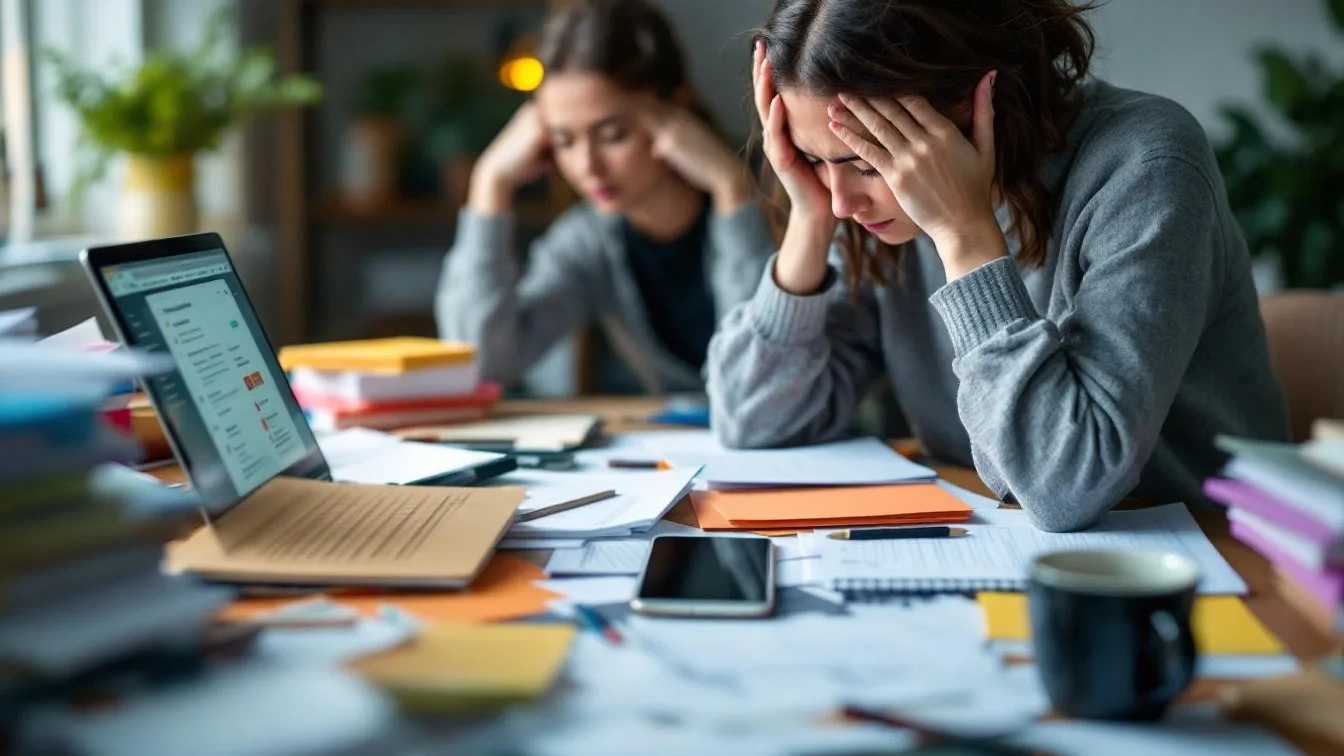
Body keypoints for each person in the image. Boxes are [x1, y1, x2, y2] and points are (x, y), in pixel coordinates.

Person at [706, 0, 1289, 532]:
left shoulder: (1145, 164)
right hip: (993, 537)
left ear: (972, 107)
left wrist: (964, 234)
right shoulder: (858, 210)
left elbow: (1068, 486)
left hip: (1206, 558)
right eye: (811, 160)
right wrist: (808, 222)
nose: (842, 202)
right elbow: (751, 421)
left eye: (865, 163)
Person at [436, 0, 774, 394]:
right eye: (563, 140)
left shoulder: (786, 194)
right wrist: (488, 184)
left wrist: (732, 190)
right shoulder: (590, 240)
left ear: (679, 105)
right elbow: (483, 365)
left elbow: (757, 381)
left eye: (612, 135)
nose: (587, 166)